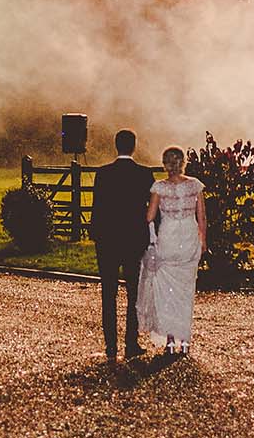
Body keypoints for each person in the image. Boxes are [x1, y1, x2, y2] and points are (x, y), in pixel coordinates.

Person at [90, 128, 156, 362]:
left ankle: (110, 346)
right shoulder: (145, 174)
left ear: (116, 146)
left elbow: (97, 208)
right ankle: (130, 343)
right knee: (133, 294)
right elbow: (151, 211)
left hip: (108, 240)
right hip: (133, 240)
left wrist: (95, 234)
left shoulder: (103, 174)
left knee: (108, 294)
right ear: (133, 146)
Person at [136, 145, 206, 354]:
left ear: (166, 164)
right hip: (188, 238)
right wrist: (203, 241)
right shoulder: (195, 186)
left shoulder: (159, 187)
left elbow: (149, 217)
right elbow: (201, 217)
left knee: (167, 292)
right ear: (183, 162)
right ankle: (184, 341)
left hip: (168, 239)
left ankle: (169, 341)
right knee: (186, 293)